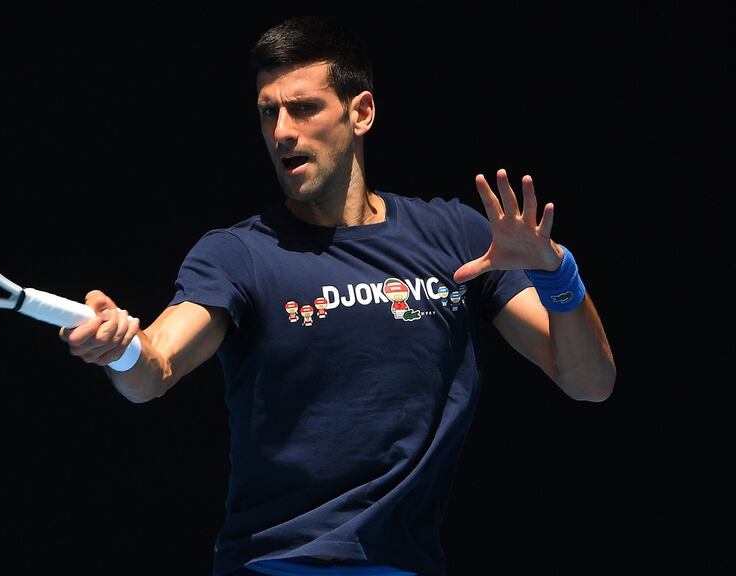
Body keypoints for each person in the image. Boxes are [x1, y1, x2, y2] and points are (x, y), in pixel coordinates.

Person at [59, 15, 615, 576]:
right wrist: (121, 348)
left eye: (303, 108)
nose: (281, 132)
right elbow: (153, 367)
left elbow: (589, 383)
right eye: (267, 113)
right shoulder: (237, 255)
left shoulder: (457, 241)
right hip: (276, 564)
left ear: (361, 113)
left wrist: (556, 272)